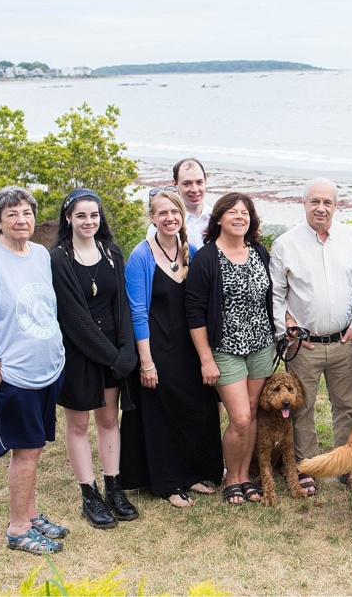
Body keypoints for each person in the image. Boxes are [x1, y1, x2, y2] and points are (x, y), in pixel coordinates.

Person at [0, 186, 68, 554]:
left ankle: (31, 515)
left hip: (47, 370)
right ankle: (18, 528)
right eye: (12, 215)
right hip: (14, 376)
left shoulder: (40, 254)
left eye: (26, 213)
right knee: (26, 449)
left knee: (35, 447)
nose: (21, 220)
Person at [121, 188, 223, 507]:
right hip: (157, 349)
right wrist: (146, 362)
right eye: (162, 212)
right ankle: (168, 482)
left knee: (194, 409)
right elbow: (137, 312)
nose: (169, 218)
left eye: (175, 212)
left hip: (190, 348)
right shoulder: (141, 257)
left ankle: (192, 472)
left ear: (182, 216)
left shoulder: (190, 250)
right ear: (152, 217)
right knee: (162, 415)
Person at [269, 177, 352, 494]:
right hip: (304, 346)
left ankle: (345, 466)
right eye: (314, 201)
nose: (321, 208)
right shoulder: (285, 244)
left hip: (343, 342)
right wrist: (287, 332)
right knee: (302, 408)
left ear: (336, 205)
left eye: (327, 202)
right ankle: (307, 467)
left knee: (347, 408)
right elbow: (276, 295)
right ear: (304, 203)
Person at [50, 188, 139, 529]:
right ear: (68, 218)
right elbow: (74, 317)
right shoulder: (59, 259)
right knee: (78, 425)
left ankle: (113, 489)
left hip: (114, 351)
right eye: (81, 215)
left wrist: (127, 349)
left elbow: (122, 305)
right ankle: (89, 496)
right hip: (79, 352)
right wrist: (114, 356)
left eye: (94, 215)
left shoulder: (112, 252)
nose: (89, 221)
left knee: (108, 420)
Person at [186, 192, 275, 505]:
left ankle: (245, 476)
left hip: (261, 346)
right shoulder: (207, 258)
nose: (240, 217)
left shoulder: (259, 251)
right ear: (220, 218)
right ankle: (231, 477)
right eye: (233, 212)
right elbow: (194, 312)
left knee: (252, 411)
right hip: (225, 348)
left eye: (245, 212)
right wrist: (206, 359)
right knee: (239, 418)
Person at [146, 158, 211, 250]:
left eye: (199, 182)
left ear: (206, 181)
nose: (195, 189)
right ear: (175, 184)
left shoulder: (218, 218)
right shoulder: (164, 223)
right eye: (187, 183)